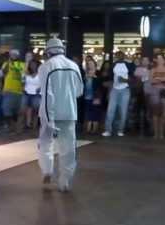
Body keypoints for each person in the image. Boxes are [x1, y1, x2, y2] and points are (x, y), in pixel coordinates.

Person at [37, 37, 84, 193]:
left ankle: (47, 170)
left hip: (50, 113)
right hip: (70, 112)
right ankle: (65, 181)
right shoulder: (73, 66)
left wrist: (49, 118)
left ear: (48, 52)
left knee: (45, 144)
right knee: (68, 148)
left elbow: (47, 94)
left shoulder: (46, 67)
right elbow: (79, 91)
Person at [102, 51, 134, 137]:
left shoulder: (129, 65)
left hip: (125, 89)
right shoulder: (113, 65)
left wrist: (125, 80)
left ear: (123, 56)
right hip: (115, 89)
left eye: (120, 55)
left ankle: (121, 130)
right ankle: (108, 130)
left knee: (123, 111)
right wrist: (109, 88)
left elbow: (133, 78)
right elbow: (110, 78)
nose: (119, 57)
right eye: (117, 55)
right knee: (110, 110)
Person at [0, 49, 26, 133]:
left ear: (18, 56)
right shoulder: (6, 64)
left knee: (17, 111)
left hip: (19, 91)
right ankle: (8, 126)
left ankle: (16, 127)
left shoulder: (23, 65)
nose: (13, 56)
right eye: (12, 54)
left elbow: (24, 77)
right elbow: (1, 76)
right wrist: (0, 89)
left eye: (15, 54)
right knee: (6, 109)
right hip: (8, 90)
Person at [149, 54, 165, 140]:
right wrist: (162, 81)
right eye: (157, 58)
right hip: (154, 92)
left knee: (164, 113)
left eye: (160, 58)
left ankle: (161, 133)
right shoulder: (153, 69)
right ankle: (156, 133)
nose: (158, 60)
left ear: (163, 59)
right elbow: (151, 80)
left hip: (164, 92)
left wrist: (158, 79)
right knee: (155, 113)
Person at [84, 59, 104, 134]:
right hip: (87, 96)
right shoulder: (85, 74)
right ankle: (88, 127)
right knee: (88, 111)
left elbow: (100, 84)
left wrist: (94, 77)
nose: (90, 65)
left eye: (91, 64)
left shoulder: (98, 73)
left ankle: (94, 128)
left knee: (95, 112)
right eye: (88, 64)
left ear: (95, 65)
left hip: (96, 96)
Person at [133, 57, 152, 135]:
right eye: (143, 60)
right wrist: (145, 78)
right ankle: (136, 126)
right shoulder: (138, 69)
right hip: (139, 92)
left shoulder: (151, 70)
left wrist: (144, 78)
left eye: (146, 60)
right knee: (137, 110)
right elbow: (138, 79)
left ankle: (147, 126)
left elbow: (151, 79)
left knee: (148, 110)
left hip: (148, 92)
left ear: (148, 62)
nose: (145, 62)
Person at [23, 59, 41, 131]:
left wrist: (40, 88)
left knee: (36, 111)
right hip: (27, 93)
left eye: (34, 64)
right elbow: (23, 82)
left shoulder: (41, 74)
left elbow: (44, 83)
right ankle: (28, 124)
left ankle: (34, 126)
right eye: (31, 65)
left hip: (37, 94)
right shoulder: (26, 73)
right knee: (27, 110)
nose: (33, 66)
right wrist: (23, 88)